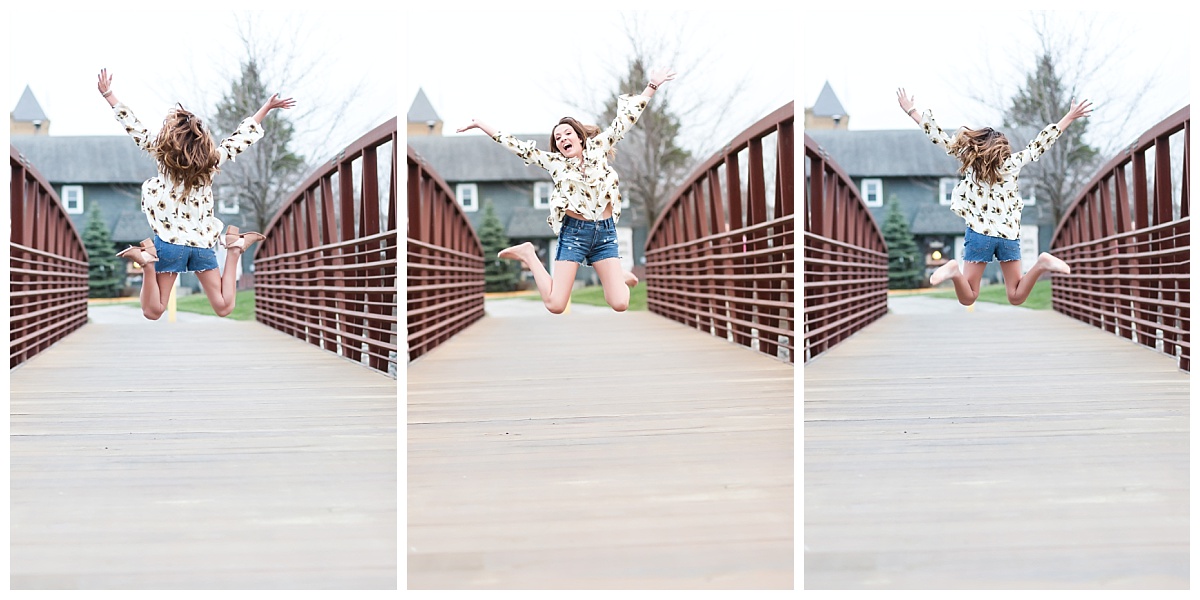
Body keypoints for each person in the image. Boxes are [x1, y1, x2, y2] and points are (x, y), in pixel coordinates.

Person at [456, 67, 677, 314]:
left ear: (580, 137)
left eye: (567, 134)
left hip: (604, 233)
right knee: (556, 304)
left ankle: (617, 277)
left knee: (620, 303)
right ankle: (529, 254)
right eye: (558, 138)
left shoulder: (600, 147)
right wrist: (481, 125)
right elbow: (518, 147)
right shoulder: (556, 163)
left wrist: (652, 86)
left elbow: (626, 120)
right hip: (575, 233)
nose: (562, 139)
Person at [99, 69, 294, 319]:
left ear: (171, 138)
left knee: (153, 310)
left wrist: (109, 95)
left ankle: (146, 263)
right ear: (202, 142)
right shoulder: (210, 163)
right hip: (201, 245)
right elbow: (239, 139)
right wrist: (265, 108)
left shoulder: (162, 155)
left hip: (169, 245)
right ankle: (234, 248)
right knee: (224, 307)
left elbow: (134, 127)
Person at [896, 87, 1092, 306]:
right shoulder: (1013, 164)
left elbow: (939, 137)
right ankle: (1041, 263)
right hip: (1008, 235)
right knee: (1016, 296)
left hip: (980, 234)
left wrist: (912, 110)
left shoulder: (969, 161)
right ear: (1003, 150)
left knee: (969, 296)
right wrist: (1070, 116)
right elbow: (1040, 144)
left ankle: (953, 270)